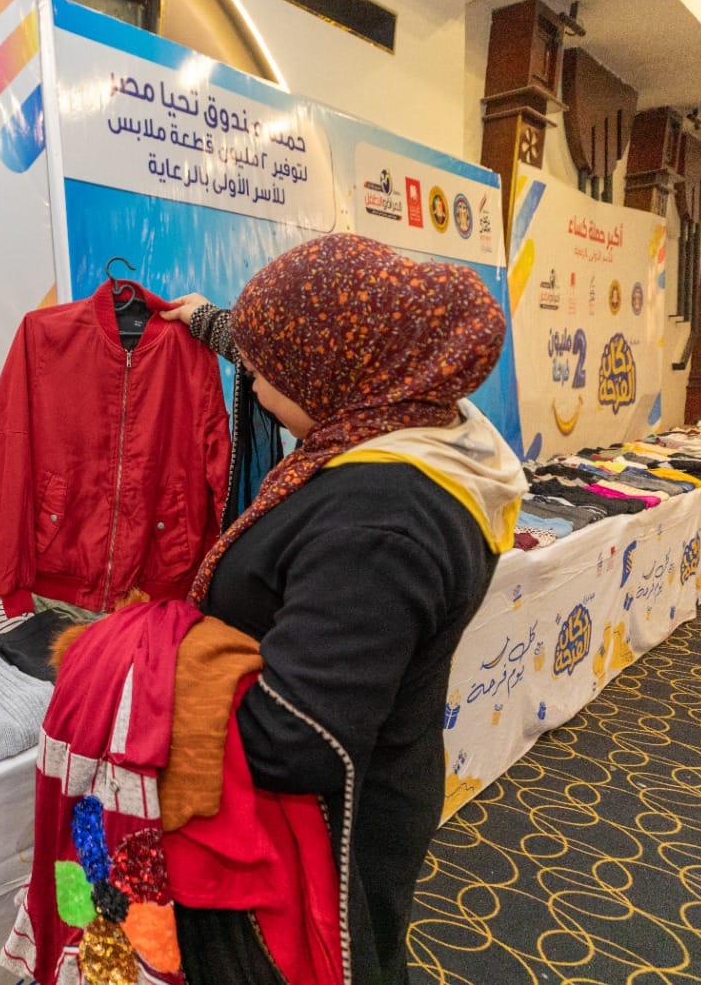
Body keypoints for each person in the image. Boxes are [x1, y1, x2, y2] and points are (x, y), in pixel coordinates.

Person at [160, 233, 526, 984]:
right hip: (376, 780)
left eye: (263, 369)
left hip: (324, 834)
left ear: (324, 370)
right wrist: (205, 321)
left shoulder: (381, 524)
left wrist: (145, 671)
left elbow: (295, 740)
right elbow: (287, 345)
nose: (252, 382)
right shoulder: (410, 415)